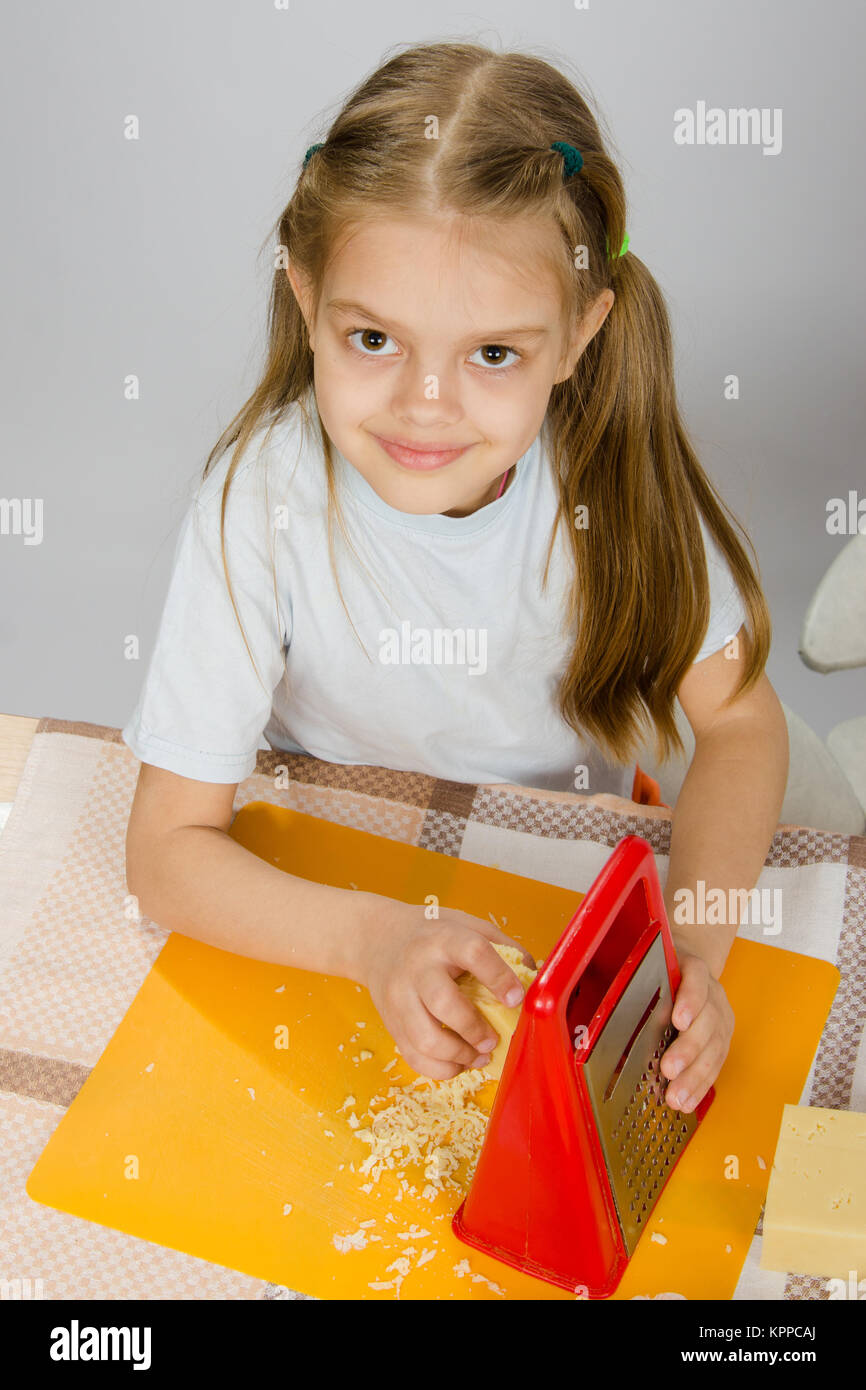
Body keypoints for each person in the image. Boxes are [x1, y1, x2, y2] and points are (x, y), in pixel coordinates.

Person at [123, 40, 788, 1106]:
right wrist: (372, 941)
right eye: (375, 337)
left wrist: (691, 951)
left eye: (491, 355)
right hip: (329, 897)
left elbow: (743, 725)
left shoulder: (607, 485)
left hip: (559, 883)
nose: (425, 404)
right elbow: (165, 851)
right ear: (306, 296)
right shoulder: (263, 503)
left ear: (578, 334)